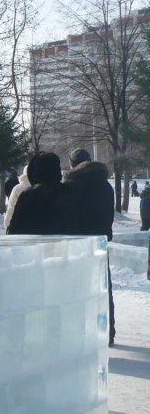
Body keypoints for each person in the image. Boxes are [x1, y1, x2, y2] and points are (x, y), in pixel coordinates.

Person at [62, 148, 115, 345]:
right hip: (101, 241)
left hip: (79, 242)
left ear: (73, 163)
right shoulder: (105, 185)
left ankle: (83, 332)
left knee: (80, 289)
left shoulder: (71, 184)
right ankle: (107, 331)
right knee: (103, 287)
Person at [7, 152, 69, 235]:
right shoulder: (68, 191)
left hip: (33, 245)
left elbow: (16, 229)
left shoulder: (28, 195)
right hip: (66, 245)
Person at [4, 164, 31, 230]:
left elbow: (11, 207)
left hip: (19, 222)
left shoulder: (17, 188)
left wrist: (7, 223)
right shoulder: (40, 188)